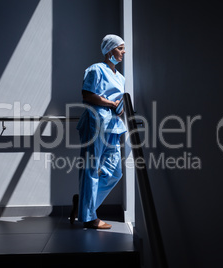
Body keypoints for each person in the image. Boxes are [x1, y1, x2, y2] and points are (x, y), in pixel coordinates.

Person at [69, 34, 126, 229]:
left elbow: (118, 100)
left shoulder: (120, 77)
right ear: (109, 50)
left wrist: (119, 107)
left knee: (115, 172)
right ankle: (89, 217)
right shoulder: (96, 69)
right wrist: (110, 103)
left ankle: (84, 204)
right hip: (96, 122)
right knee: (91, 169)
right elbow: (87, 94)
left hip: (114, 124)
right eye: (120, 48)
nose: (123, 52)